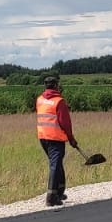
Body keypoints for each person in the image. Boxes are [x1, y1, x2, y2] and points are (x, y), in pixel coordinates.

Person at [35, 75, 79, 207]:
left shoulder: (39, 99)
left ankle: (60, 191)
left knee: (56, 163)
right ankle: (51, 196)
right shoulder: (59, 101)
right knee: (55, 165)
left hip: (43, 137)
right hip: (55, 138)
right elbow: (65, 123)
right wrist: (71, 139)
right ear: (56, 86)